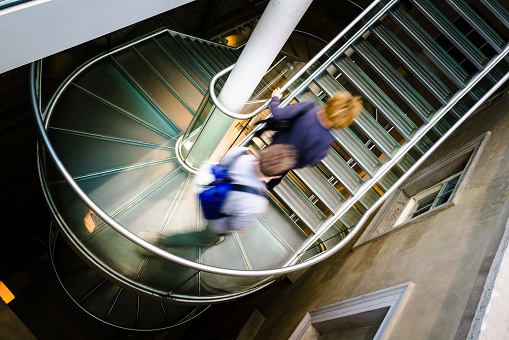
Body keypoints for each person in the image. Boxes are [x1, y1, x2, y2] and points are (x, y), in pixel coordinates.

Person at [140, 143, 297, 247]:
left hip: (207, 194)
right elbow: (236, 226)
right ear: (276, 177)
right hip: (217, 223)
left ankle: (156, 239)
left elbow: (219, 168)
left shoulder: (240, 152)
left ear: (265, 151)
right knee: (203, 238)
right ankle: (162, 242)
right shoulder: (257, 202)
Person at [264, 87, 362, 189]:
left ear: (332, 102)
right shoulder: (326, 140)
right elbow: (310, 161)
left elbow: (278, 115)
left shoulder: (308, 108)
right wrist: (292, 161)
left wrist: (275, 98)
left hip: (273, 149)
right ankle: (270, 185)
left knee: (261, 166)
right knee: (275, 175)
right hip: (285, 165)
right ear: (343, 121)